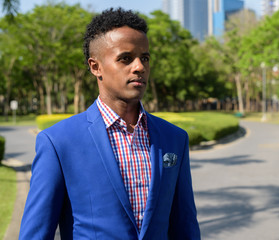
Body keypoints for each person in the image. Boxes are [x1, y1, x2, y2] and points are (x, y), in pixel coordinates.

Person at [19, 7, 200, 240]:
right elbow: (36, 233)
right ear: (96, 67)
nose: (139, 67)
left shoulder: (174, 138)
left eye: (144, 58)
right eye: (125, 58)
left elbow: (185, 225)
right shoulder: (58, 142)